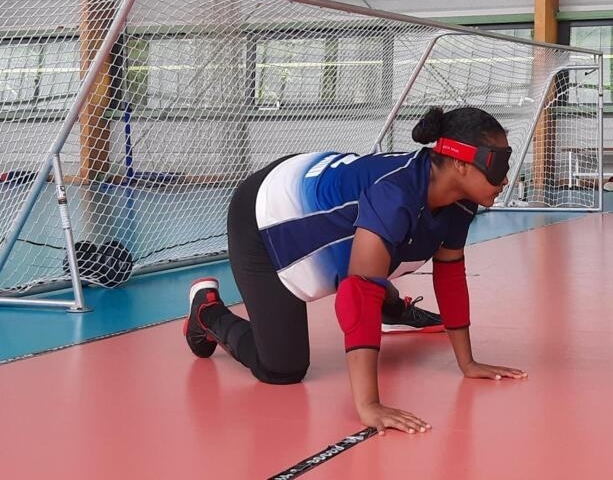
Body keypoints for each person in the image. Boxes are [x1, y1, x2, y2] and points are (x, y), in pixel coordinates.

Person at [182, 106, 528, 435]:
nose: (506, 178)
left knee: (384, 253)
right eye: (497, 165)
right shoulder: (395, 195)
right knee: (281, 368)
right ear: (460, 162)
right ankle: (207, 313)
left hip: (327, 206)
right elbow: (358, 292)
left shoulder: (459, 202)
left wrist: (467, 363)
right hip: (265, 216)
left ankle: (390, 307)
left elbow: (449, 275)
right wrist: (369, 405)